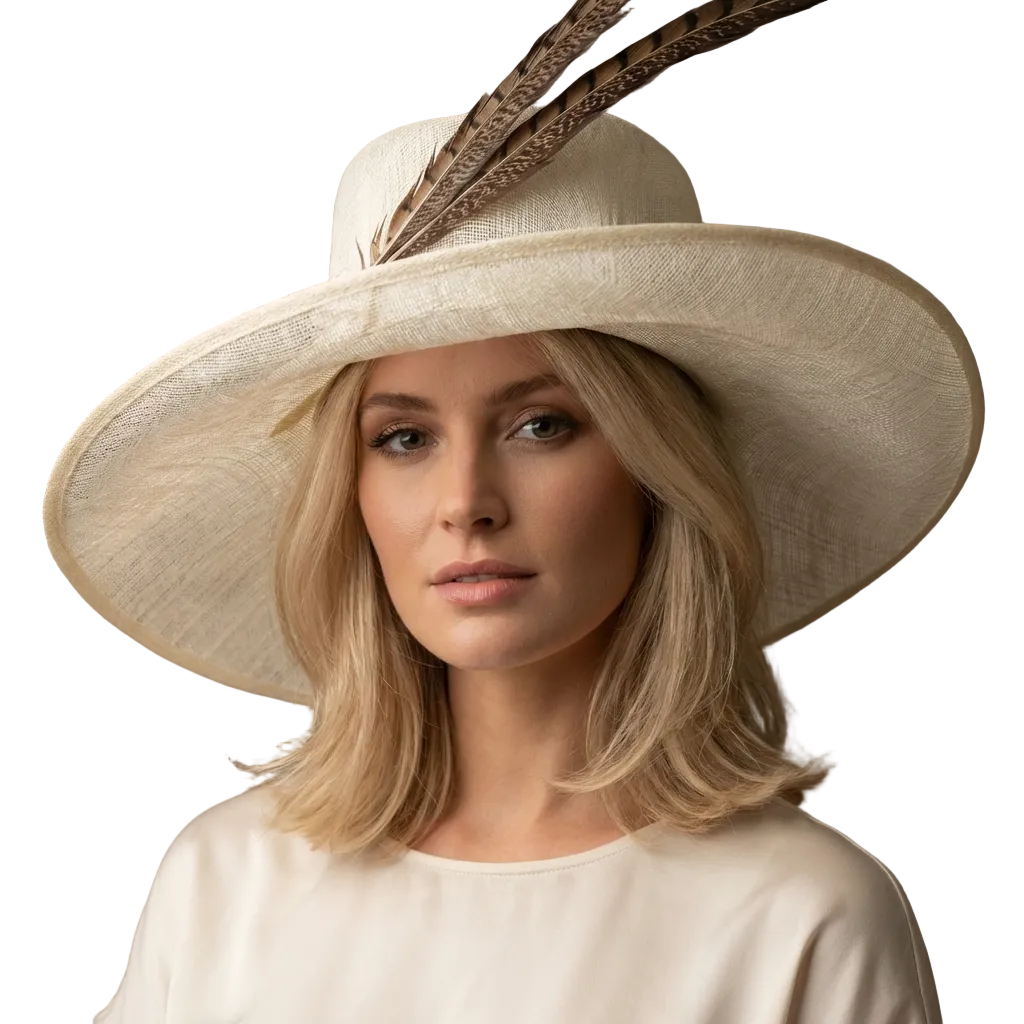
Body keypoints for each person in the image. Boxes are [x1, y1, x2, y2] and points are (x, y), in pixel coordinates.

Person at [42, 1, 981, 1021]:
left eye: (541, 425)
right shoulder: (223, 887)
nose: (465, 505)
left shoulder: (801, 918)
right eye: (404, 438)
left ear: (656, 466)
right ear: (349, 494)